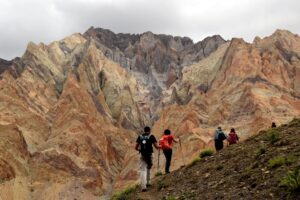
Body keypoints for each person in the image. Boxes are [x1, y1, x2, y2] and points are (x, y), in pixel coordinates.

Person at [135, 126, 160, 191]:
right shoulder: (151, 136)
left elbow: (136, 147)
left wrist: (140, 150)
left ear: (144, 130)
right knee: (149, 167)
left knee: (143, 170)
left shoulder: (140, 136)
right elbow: (156, 147)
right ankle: (148, 182)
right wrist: (161, 146)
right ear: (149, 130)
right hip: (150, 155)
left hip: (142, 155)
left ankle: (143, 186)